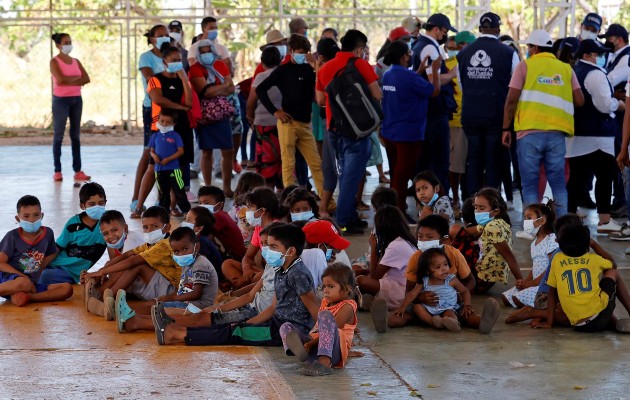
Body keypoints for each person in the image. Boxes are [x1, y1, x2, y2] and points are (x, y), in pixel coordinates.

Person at [153, 224, 320, 346]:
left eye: (273, 246)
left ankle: (177, 334)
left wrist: (319, 337)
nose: (266, 250)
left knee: (234, 333)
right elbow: (273, 308)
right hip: (275, 323)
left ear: (290, 251)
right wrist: (250, 322)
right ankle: (175, 331)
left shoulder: (298, 273)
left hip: (288, 330)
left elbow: (313, 308)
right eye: (267, 245)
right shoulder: (282, 269)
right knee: (236, 328)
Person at [502, 30, 584, 217]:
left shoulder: (525, 66)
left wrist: (506, 128)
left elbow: (511, 99)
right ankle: (563, 224)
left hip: (528, 133)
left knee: (530, 183)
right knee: (558, 183)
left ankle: (532, 227)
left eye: (529, 47)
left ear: (535, 48)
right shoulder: (565, 69)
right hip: (557, 134)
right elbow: (580, 100)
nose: (528, 50)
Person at [316, 29, 382, 234]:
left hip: (334, 129)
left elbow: (319, 101)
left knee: (346, 173)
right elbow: (377, 93)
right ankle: (343, 221)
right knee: (351, 177)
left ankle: (350, 216)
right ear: (360, 49)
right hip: (357, 129)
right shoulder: (360, 64)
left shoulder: (325, 68)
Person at [256, 34, 326, 197]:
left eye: (306, 52)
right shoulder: (282, 70)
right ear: (292, 51)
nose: (303, 55)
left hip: (305, 123)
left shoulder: (310, 69)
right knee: (288, 164)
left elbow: (319, 91)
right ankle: (290, 200)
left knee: (316, 164)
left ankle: (326, 201)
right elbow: (261, 89)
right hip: (288, 123)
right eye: (300, 52)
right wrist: (275, 111)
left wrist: (316, 67)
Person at [457, 12, 518, 198]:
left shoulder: (464, 53)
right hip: (496, 115)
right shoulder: (509, 53)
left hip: (471, 115)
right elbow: (515, 87)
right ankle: (490, 204)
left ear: (479, 29)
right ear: (498, 30)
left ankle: (472, 202)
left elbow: (461, 84)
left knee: (474, 159)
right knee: (493, 160)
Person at [113, 227, 218, 334]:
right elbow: (184, 289)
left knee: (158, 308)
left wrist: (171, 297)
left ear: (197, 247)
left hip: (197, 307)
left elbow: (196, 294)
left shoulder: (201, 264)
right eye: (176, 251)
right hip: (188, 303)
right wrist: (169, 297)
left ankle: (127, 317)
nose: (181, 254)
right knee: (156, 304)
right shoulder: (188, 264)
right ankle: (128, 317)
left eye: (185, 249)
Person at [567, 40, 624, 232]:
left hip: (578, 135)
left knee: (576, 177)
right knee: (604, 177)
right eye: (597, 54)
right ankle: (605, 221)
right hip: (599, 135)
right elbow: (604, 105)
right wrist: (619, 104)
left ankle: (569, 214)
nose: (600, 57)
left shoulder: (575, 71)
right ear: (586, 56)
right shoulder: (596, 74)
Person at [132, 44, 194, 218]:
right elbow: (158, 99)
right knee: (154, 167)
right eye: (173, 60)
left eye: (179, 60)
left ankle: (171, 206)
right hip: (161, 129)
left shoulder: (182, 80)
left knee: (178, 169)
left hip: (181, 128)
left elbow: (189, 102)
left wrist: (184, 80)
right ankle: (138, 206)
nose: (177, 63)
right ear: (164, 61)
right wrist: (181, 108)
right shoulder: (155, 79)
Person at [381, 41, 440, 218]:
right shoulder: (409, 77)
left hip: (390, 131)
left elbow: (404, 84)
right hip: (408, 134)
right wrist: (435, 71)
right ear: (403, 57)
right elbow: (434, 91)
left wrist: (419, 72)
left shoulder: (388, 75)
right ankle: (398, 211)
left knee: (395, 173)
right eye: (408, 53)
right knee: (402, 175)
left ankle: (394, 208)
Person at [540, 224, 630, 332]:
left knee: (597, 293)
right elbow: (613, 264)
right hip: (598, 318)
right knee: (612, 272)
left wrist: (549, 323)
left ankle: (613, 322)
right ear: (587, 245)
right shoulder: (594, 259)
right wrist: (594, 244)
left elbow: (552, 294)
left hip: (578, 325)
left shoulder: (557, 259)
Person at [280, 263, 357, 376]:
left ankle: (324, 364)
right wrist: (308, 342)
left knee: (325, 315)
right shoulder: (325, 302)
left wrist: (310, 343)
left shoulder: (348, 306)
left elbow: (334, 330)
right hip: (315, 346)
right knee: (285, 326)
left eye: (331, 286)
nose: (325, 290)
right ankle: (301, 353)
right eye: (324, 286)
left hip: (333, 353)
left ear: (346, 289)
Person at [411, 14, 458, 193]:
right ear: (436, 29)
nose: (445, 35)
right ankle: (440, 201)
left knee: (425, 158)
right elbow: (434, 82)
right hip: (434, 111)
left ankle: (424, 198)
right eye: (444, 31)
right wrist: (452, 75)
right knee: (439, 159)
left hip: (423, 110)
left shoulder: (417, 44)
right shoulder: (430, 48)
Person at [0, 195, 72, 306]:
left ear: (42, 215)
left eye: (36, 215)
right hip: (9, 279)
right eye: (26, 216)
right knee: (23, 283)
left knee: (67, 289)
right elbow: (1, 262)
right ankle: (22, 288)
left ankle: (29, 297)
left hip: (31, 283)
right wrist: (23, 277)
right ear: (18, 218)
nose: (32, 220)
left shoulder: (48, 233)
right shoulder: (12, 236)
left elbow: (53, 252)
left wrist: (40, 266)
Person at [357, 206, 416, 332]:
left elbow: (374, 276)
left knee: (361, 281)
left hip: (401, 292)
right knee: (358, 275)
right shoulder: (405, 241)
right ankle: (368, 301)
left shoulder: (396, 246)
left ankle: (366, 301)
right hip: (402, 287)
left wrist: (373, 247)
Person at [189, 40, 235, 195]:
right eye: (203, 51)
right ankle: (208, 187)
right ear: (197, 53)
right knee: (206, 151)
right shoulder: (195, 68)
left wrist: (217, 89)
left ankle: (227, 187)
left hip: (221, 114)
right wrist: (223, 85)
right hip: (204, 116)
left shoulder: (220, 65)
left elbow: (232, 89)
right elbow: (205, 92)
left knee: (227, 151)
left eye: (209, 50)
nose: (206, 54)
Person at [131, 24, 169, 214]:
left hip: (170, 110)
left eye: (167, 35)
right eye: (160, 35)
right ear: (152, 39)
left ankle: (166, 200)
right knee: (149, 153)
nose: (164, 38)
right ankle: (136, 199)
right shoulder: (146, 57)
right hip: (153, 109)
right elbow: (151, 80)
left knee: (166, 153)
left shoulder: (172, 55)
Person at [39, 183, 107, 285]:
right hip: (56, 265)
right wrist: (40, 267)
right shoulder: (73, 224)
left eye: (101, 203)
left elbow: (114, 252)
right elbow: (57, 248)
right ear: (82, 206)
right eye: (92, 204)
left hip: (73, 274)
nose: (97, 207)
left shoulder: (107, 224)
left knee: (44, 278)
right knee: (38, 274)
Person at [394, 248, 471, 332]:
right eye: (438, 267)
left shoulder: (451, 280)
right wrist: (402, 307)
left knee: (449, 313)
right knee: (417, 307)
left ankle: (454, 323)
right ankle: (433, 322)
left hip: (447, 307)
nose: (444, 269)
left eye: (445, 264)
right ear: (428, 271)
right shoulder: (425, 281)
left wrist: (467, 305)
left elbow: (465, 292)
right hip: (429, 308)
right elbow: (412, 294)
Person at [221, 187, 284, 288]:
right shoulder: (258, 228)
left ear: (262, 210)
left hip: (276, 273)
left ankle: (240, 288)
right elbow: (247, 257)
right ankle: (241, 286)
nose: (247, 211)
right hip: (262, 271)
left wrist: (257, 272)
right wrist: (247, 269)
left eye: (250, 207)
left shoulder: (278, 228)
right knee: (227, 264)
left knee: (257, 277)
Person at [49, 32, 91, 182]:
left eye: (70, 42)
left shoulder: (75, 61)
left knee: (75, 135)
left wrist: (70, 81)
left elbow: (87, 78)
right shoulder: (54, 62)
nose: (68, 45)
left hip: (76, 100)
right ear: (58, 45)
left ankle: (78, 170)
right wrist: (77, 81)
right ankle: (58, 171)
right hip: (61, 100)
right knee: (58, 135)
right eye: (65, 42)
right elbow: (60, 80)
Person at [502, 201, 557, 308]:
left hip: (546, 286)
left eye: (529, 218)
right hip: (535, 284)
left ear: (542, 220)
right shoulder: (534, 243)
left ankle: (544, 306)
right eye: (525, 218)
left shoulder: (551, 240)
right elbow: (535, 267)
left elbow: (552, 268)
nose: (525, 221)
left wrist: (531, 284)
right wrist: (525, 282)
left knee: (516, 299)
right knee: (506, 298)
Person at [445, 30, 475, 213]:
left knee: (463, 164)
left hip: (468, 121)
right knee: (455, 165)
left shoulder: (468, 63)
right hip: (455, 122)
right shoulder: (450, 64)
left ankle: (463, 199)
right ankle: (456, 199)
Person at [473, 188, 523, 292]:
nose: (477, 211)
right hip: (484, 277)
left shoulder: (492, 226)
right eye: (476, 207)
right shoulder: (496, 221)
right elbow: (469, 231)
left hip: (482, 279)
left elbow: (509, 256)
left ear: (495, 211)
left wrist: (521, 281)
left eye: (482, 208)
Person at [246, 46, 283, 187]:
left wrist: (250, 116)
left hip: (263, 125)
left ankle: (267, 192)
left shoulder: (261, 77)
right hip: (284, 122)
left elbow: (251, 102)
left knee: (266, 160)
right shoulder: (285, 76)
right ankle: (282, 191)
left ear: (262, 63)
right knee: (284, 158)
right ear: (280, 61)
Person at [149, 109, 192, 216]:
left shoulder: (175, 136)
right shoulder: (155, 136)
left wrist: (169, 159)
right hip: (159, 170)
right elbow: (151, 151)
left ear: (174, 123)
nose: (164, 124)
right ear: (158, 120)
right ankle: (164, 212)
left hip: (173, 169)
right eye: (162, 121)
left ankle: (187, 211)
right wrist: (154, 156)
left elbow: (181, 151)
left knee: (179, 190)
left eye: (168, 122)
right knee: (163, 192)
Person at [197, 186, 247, 260]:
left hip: (234, 258)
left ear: (220, 205)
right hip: (231, 254)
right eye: (200, 203)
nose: (202, 206)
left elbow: (201, 234)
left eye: (207, 203)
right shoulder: (222, 214)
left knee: (200, 239)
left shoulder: (218, 216)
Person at [227, 172, 266, 249]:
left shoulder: (263, 209)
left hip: (256, 245)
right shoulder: (237, 208)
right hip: (244, 245)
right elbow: (230, 224)